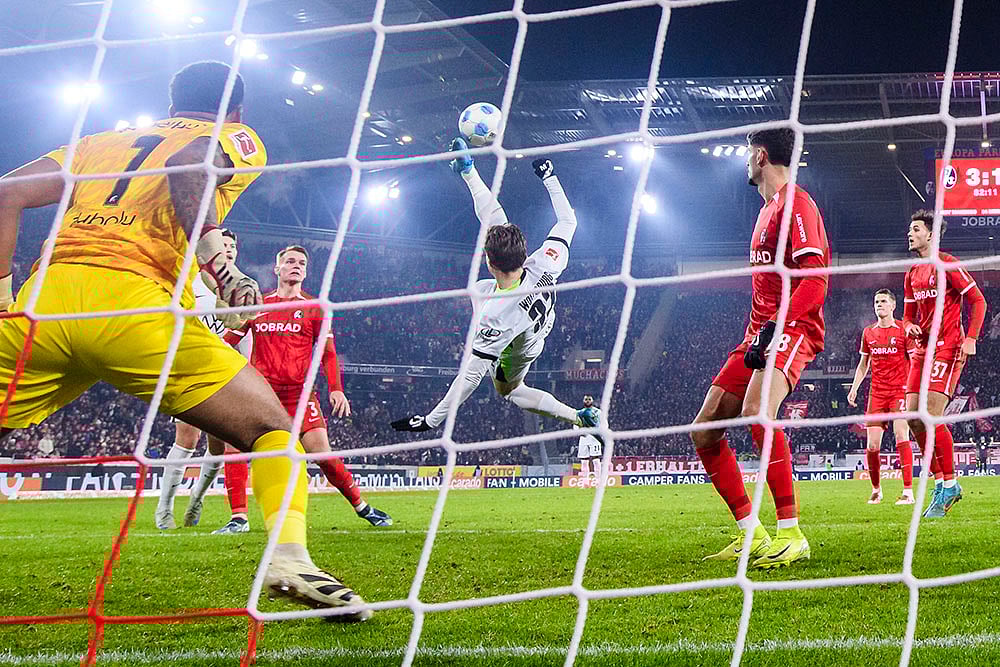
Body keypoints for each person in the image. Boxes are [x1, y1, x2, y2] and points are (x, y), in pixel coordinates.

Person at [0, 61, 370, 619]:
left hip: (42, 305)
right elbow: (189, 165)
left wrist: (4, 296)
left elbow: (7, 192)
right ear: (238, 110)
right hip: (135, 305)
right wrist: (221, 265)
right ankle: (288, 558)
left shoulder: (103, 140)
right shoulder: (235, 136)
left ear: (171, 101)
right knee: (270, 428)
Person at [690, 128, 830, 569]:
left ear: (761, 155)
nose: (746, 161)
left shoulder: (797, 204)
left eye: (749, 153)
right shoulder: (766, 210)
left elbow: (816, 279)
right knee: (705, 429)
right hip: (758, 333)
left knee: (757, 412)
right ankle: (752, 533)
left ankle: (791, 534)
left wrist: (777, 327)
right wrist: (761, 331)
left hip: (793, 328)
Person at [390, 141, 599, 436]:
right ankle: (469, 169)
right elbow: (567, 220)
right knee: (479, 287)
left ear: (490, 262)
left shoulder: (496, 317)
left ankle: (578, 417)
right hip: (537, 317)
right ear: (524, 252)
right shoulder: (545, 262)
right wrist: (548, 176)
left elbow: (470, 377)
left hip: (517, 349)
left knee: (510, 391)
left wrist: (430, 420)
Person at [226, 245, 392, 527]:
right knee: (233, 450)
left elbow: (328, 352)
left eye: (301, 262)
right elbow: (228, 341)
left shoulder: (315, 308)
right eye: (289, 261)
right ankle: (238, 518)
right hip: (262, 395)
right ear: (277, 269)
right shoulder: (258, 306)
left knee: (323, 456)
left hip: (299, 397)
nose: (296, 265)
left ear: (305, 271)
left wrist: (336, 388)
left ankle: (362, 507)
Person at [155, 229, 255, 533]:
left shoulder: (242, 288)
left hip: (224, 371)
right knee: (187, 438)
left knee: (220, 445)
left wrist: (248, 369)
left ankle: (197, 499)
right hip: (189, 366)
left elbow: (249, 331)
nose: (228, 250)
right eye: (222, 245)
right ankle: (164, 509)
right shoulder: (189, 282)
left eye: (233, 246)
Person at [903, 210, 986, 518]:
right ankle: (941, 481)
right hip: (921, 351)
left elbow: (978, 300)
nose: (910, 234)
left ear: (931, 233)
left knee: (931, 416)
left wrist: (971, 338)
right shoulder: (912, 272)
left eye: (915, 229)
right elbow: (908, 316)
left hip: (948, 347)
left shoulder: (949, 264)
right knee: (912, 417)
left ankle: (950, 485)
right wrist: (908, 326)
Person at [846, 289, 915, 505]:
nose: (879, 305)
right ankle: (876, 490)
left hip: (899, 391)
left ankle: (908, 491)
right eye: (876, 302)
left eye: (884, 301)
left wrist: (914, 390)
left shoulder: (904, 329)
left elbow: (914, 361)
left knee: (901, 435)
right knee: (872, 445)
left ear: (893, 306)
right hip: (877, 394)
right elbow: (863, 364)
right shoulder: (868, 333)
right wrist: (854, 387)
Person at [575, 395, 602, 477]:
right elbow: (575, 425)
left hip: (594, 438)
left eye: (589, 399)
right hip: (584, 438)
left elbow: (603, 423)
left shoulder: (598, 412)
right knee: (584, 461)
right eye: (586, 399)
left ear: (592, 401)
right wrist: (578, 432)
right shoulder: (579, 413)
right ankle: (585, 482)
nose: (587, 401)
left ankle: (598, 481)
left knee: (596, 461)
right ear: (583, 401)